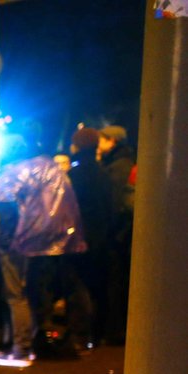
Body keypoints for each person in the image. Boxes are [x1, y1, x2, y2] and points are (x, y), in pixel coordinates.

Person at [0, 130, 86, 368]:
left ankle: (20, 349)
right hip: (51, 243)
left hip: (18, 243)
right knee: (36, 292)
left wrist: (2, 244)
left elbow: (6, 212)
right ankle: (38, 338)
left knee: (16, 295)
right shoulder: (50, 167)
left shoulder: (10, 174)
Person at [68, 127, 113, 349]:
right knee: (97, 285)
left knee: (78, 283)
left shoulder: (75, 176)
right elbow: (109, 207)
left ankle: (81, 332)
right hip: (100, 236)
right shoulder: (103, 173)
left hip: (80, 237)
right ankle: (97, 332)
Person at [97, 124, 135, 345]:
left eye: (103, 139)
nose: (100, 144)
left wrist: (109, 233)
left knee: (114, 282)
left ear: (113, 142)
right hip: (120, 234)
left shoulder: (118, 167)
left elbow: (114, 205)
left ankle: (113, 329)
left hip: (117, 236)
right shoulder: (120, 163)